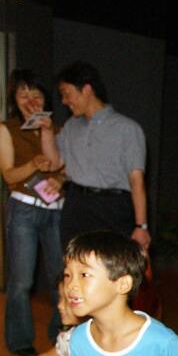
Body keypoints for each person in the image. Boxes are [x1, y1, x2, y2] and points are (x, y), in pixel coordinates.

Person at [38, 61, 151, 251]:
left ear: (87, 90)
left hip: (112, 207)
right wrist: (47, 131)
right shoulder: (71, 126)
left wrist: (141, 226)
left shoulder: (127, 128)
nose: (64, 101)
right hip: (76, 205)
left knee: (110, 268)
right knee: (73, 265)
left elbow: (136, 181)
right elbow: (54, 162)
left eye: (67, 94)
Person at [1, 69, 65, 356]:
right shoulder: (7, 128)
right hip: (24, 208)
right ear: (14, 98)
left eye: (36, 94)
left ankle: (61, 335)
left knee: (60, 278)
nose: (30, 100)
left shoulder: (58, 129)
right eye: (23, 94)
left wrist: (59, 179)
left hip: (56, 209)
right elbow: (8, 174)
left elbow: (63, 169)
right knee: (21, 281)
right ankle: (20, 340)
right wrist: (33, 166)